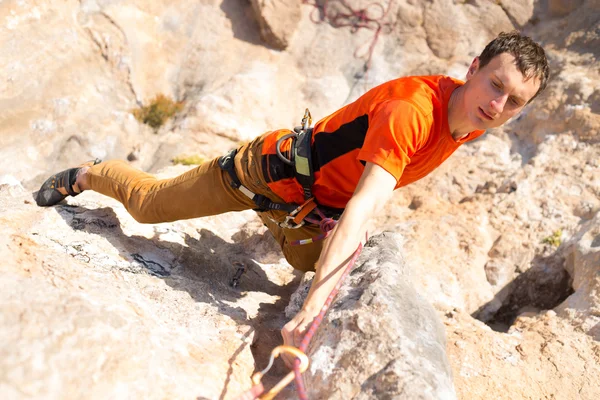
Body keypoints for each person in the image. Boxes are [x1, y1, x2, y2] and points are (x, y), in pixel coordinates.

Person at [36, 30, 549, 366]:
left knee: (313, 262)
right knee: (149, 206)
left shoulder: (472, 123)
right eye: (494, 84)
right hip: (262, 173)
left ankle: (285, 229)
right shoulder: (413, 112)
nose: (498, 104)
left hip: (308, 205)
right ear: (474, 66)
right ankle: (91, 173)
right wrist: (315, 309)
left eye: (514, 101)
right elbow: (365, 206)